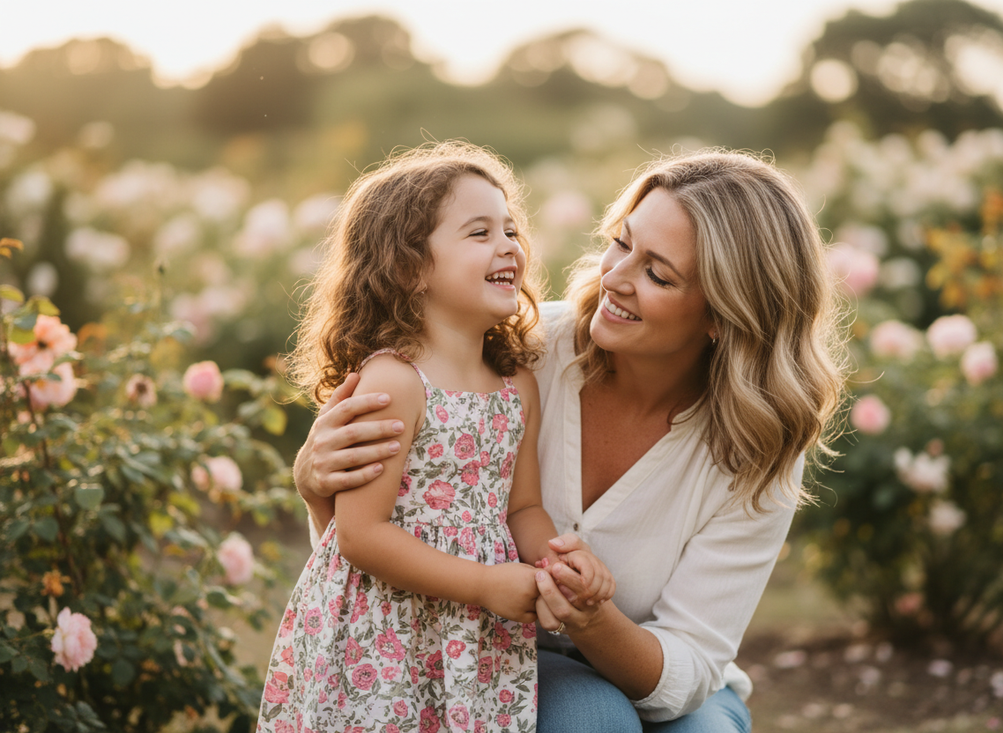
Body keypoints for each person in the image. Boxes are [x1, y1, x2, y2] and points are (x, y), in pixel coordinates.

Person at [293, 149, 847, 732]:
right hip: (480, 649)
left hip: (654, 677)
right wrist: (317, 491)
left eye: (658, 274)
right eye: (620, 242)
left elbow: (690, 662)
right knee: (592, 717)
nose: (613, 277)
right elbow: (368, 536)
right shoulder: (511, 358)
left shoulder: (759, 449)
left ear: (724, 316)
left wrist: (587, 611)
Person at [257, 142, 613, 733]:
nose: (508, 246)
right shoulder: (395, 382)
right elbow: (362, 536)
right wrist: (483, 584)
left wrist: (560, 565)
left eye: (510, 229)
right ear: (409, 269)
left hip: (471, 638)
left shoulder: (516, 385)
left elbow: (521, 506)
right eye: (479, 233)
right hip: (382, 631)